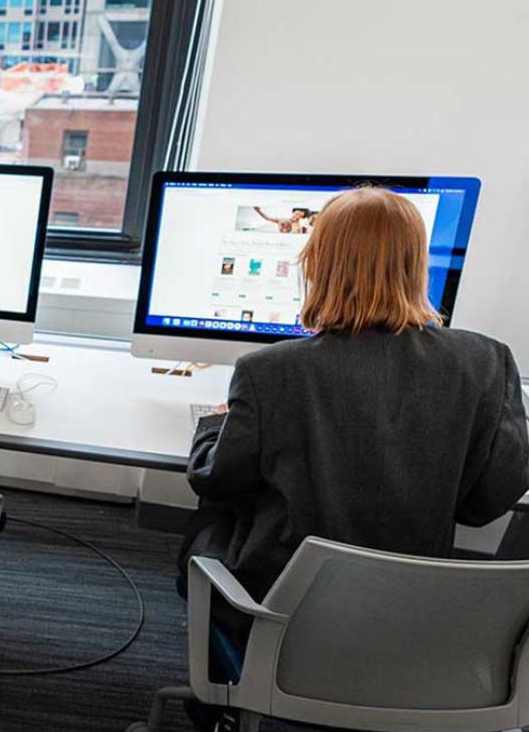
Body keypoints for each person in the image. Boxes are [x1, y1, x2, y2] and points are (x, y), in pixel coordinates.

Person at [184, 185, 529, 676]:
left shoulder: (270, 371)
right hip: (412, 611)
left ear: (318, 264)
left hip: (280, 612)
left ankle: (217, 708)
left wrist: (216, 423)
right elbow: (486, 504)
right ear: (417, 266)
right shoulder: (488, 361)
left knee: (210, 524)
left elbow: (217, 479)